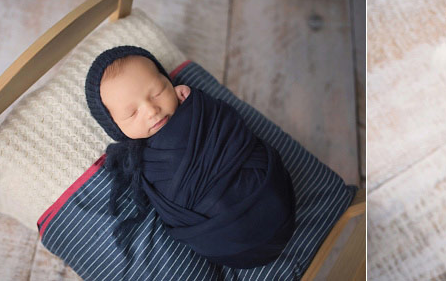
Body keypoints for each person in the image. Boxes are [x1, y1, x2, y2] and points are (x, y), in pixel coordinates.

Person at [85, 46, 296, 268]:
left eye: (157, 92)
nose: (151, 110)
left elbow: (228, 123)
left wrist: (196, 102)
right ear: (115, 128)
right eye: (132, 113)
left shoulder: (199, 109)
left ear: (170, 83)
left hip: (271, 192)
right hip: (227, 239)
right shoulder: (141, 161)